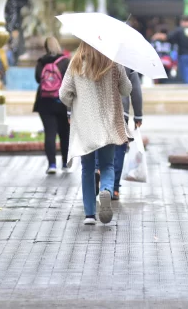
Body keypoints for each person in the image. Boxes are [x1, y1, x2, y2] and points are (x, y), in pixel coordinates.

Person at [59, 42, 132, 225]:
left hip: (85, 125)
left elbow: (63, 94)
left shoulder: (76, 63)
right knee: (107, 164)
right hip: (108, 122)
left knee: (87, 168)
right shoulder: (113, 63)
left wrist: (74, 100)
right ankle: (106, 189)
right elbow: (126, 90)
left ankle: (90, 215)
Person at [95, 66, 143, 200]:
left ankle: (97, 169)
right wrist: (138, 115)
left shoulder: (97, 55)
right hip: (121, 113)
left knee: (100, 142)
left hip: (99, 111)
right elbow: (135, 89)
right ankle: (114, 188)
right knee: (118, 149)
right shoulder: (126, 61)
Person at [34, 37, 70, 174]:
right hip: (62, 102)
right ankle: (65, 163)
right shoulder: (65, 61)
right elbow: (70, 81)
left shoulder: (41, 62)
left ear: (45, 47)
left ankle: (52, 165)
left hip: (44, 102)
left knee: (50, 133)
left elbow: (38, 79)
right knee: (64, 133)